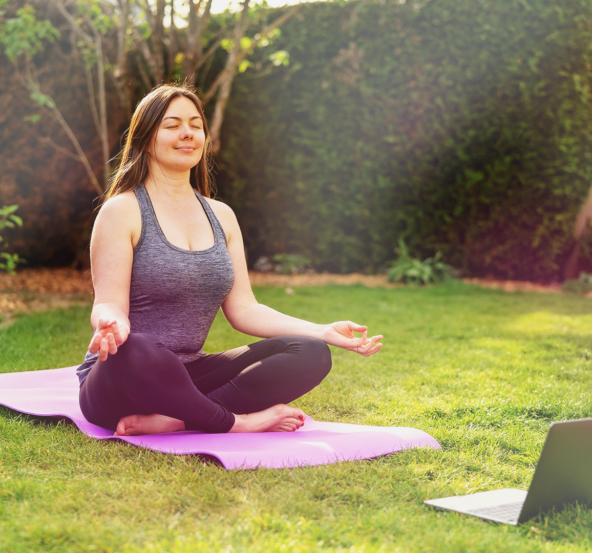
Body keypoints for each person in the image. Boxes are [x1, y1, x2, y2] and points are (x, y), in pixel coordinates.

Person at [76, 84, 383, 437]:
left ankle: (178, 419)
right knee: (138, 347)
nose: (187, 133)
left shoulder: (221, 216)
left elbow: (244, 310)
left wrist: (322, 330)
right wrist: (112, 325)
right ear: (146, 138)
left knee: (310, 351)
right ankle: (237, 422)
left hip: (189, 374)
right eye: (172, 125)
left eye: (195, 125)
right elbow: (108, 303)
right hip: (123, 379)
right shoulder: (122, 211)